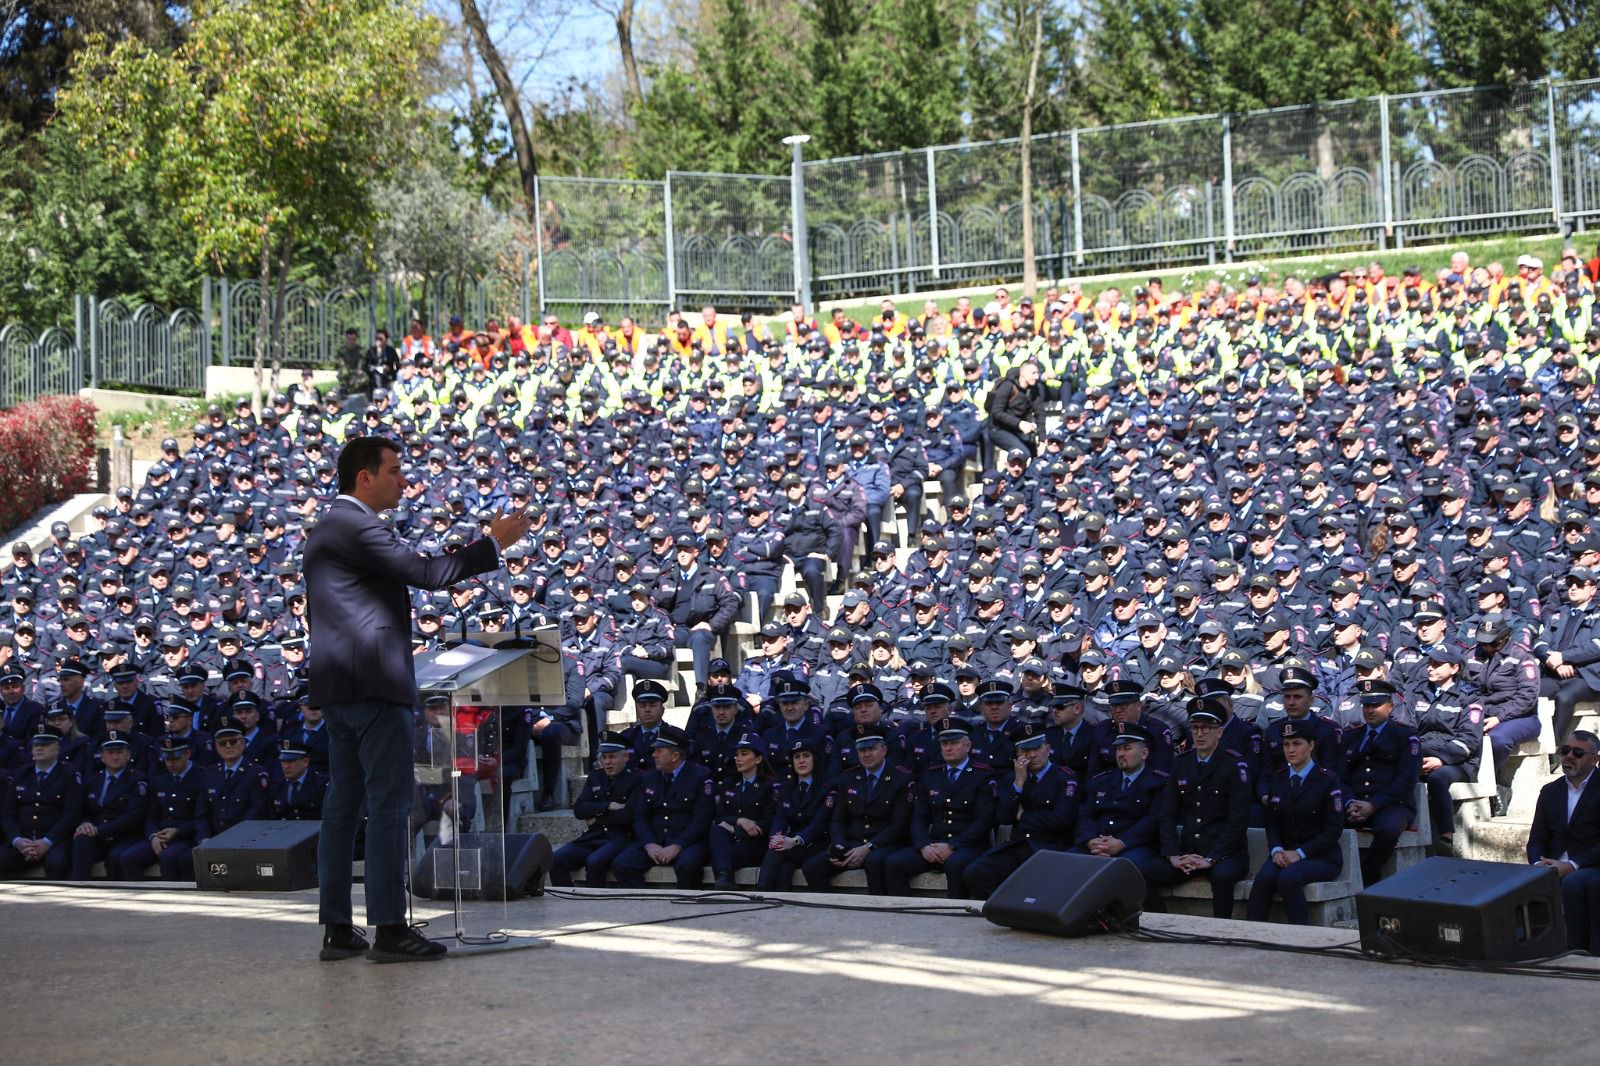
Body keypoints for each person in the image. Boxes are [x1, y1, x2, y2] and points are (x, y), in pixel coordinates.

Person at [305, 435, 531, 963]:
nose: (403, 480)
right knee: (388, 806)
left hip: (339, 690)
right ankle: (388, 928)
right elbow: (428, 574)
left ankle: (337, 928)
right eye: (393, 471)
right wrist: (493, 543)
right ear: (364, 477)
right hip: (372, 687)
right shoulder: (356, 526)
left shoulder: (327, 528)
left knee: (343, 807)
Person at [1141, 701, 1253, 918]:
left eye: (1206, 728)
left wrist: (1211, 858)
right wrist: (1173, 854)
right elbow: (1168, 814)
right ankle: (1165, 927)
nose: (1199, 734)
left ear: (1219, 732)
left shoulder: (1234, 765)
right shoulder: (1181, 763)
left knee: (1222, 878)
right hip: (1189, 851)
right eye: (1195, 728)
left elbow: (1238, 819)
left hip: (1226, 854)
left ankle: (1220, 933)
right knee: (1143, 874)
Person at [1247, 720, 1347, 925]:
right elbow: (1272, 822)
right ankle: (1253, 932)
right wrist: (1276, 849)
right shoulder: (1279, 778)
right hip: (1285, 853)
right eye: (1286, 744)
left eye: (1297, 743)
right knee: (1264, 879)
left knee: (1288, 878)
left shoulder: (1327, 780)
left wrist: (1300, 853)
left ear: (1311, 745)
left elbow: (1333, 829)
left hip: (1321, 857)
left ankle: (1299, 935)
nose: (1290, 750)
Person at [885, 719, 998, 898]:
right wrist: (923, 845)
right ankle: (902, 915)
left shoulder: (982, 775)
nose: (948, 748)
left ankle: (954, 915)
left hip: (968, 846)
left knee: (956, 865)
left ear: (967, 746)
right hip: (934, 843)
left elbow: (984, 820)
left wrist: (953, 846)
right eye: (944, 743)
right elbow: (919, 817)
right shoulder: (931, 775)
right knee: (894, 863)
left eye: (954, 743)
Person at [964, 723, 1080, 899]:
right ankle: (1004, 912)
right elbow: (1003, 817)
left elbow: (1061, 819)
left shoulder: (1065, 778)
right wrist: (1018, 783)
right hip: (1020, 846)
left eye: (1037, 748)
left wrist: (1023, 816)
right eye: (1025, 751)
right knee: (975, 872)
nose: (1032, 755)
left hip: (1051, 848)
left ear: (1048, 748)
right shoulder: (1014, 777)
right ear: (1018, 754)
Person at [804, 724, 912, 893]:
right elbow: (838, 819)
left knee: (874, 862)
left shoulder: (901, 778)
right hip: (853, 843)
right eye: (862, 750)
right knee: (812, 868)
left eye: (871, 749)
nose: (867, 754)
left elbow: (899, 825)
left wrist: (869, 847)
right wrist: (838, 844)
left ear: (884, 749)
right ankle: (833, 912)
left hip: (885, 844)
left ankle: (877, 912)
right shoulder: (848, 778)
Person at [1338, 678, 1421, 886]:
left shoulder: (1405, 736)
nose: (1370, 710)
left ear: (1390, 706)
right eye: (1366, 705)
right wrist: (1350, 802)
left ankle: (1368, 876)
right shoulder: (1351, 737)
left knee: (1388, 829)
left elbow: (1406, 780)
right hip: (1354, 804)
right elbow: (1339, 777)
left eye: (1376, 705)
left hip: (1390, 805)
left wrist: (1373, 805)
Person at [611, 724, 714, 889]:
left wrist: (677, 845)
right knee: (622, 864)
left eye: (659, 751)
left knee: (689, 864)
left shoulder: (699, 777)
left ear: (674, 756)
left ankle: (684, 906)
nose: (654, 755)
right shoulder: (650, 777)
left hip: (686, 841)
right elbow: (640, 816)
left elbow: (701, 819)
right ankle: (647, 904)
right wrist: (649, 843)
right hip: (656, 839)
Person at [1526, 730, 1600, 954]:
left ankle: (1580, 953)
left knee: (1576, 883)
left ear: (1595, 759)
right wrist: (1539, 866)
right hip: (1553, 865)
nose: (1569, 757)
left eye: (1577, 753)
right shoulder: (1550, 791)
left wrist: (1572, 865)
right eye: (1565, 750)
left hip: (1591, 864)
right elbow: (1536, 839)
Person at [549, 730, 640, 888]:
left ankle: (595, 907)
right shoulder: (595, 777)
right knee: (555, 860)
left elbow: (628, 815)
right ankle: (567, 902)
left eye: (612, 757)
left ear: (625, 757)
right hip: (593, 836)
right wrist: (608, 806)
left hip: (619, 838)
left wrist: (596, 818)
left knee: (594, 861)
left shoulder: (636, 779)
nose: (607, 762)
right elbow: (579, 810)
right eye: (604, 757)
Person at [0, 730, 84, 879]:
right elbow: (8, 814)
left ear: (57, 748)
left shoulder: (69, 774)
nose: (39, 748)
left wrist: (47, 842)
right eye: (36, 745)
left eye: (45, 745)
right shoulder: (21, 774)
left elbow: (71, 814)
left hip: (54, 841)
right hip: (23, 841)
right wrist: (17, 840)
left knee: (57, 863)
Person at [757, 737, 835, 891]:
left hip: (816, 844)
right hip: (792, 845)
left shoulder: (827, 786)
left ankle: (761, 892)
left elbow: (820, 823)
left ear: (815, 759)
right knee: (784, 868)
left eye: (806, 756)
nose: (801, 761)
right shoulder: (787, 787)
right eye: (797, 757)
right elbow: (780, 818)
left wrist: (795, 840)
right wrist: (775, 837)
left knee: (776, 852)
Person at [69, 733, 148, 880]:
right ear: (102, 756)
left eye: (119, 752)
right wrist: (85, 823)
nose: (115, 757)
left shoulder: (137, 780)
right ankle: (79, 887)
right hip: (98, 835)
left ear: (128, 755)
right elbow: (84, 809)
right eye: (110, 753)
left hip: (124, 836)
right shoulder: (93, 780)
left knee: (116, 858)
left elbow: (132, 817)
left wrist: (98, 830)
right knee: (81, 840)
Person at [707, 732, 780, 888]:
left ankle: (725, 879)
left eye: (744, 754)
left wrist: (734, 829)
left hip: (755, 844)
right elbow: (719, 818)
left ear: (758, 759)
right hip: (730, 841)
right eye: (737, 754)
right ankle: (725, 879)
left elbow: (765, 825)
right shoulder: (730, 784)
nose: (738, 759)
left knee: (720, 858)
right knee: (715, 831)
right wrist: (739, 821)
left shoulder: (770, 786)